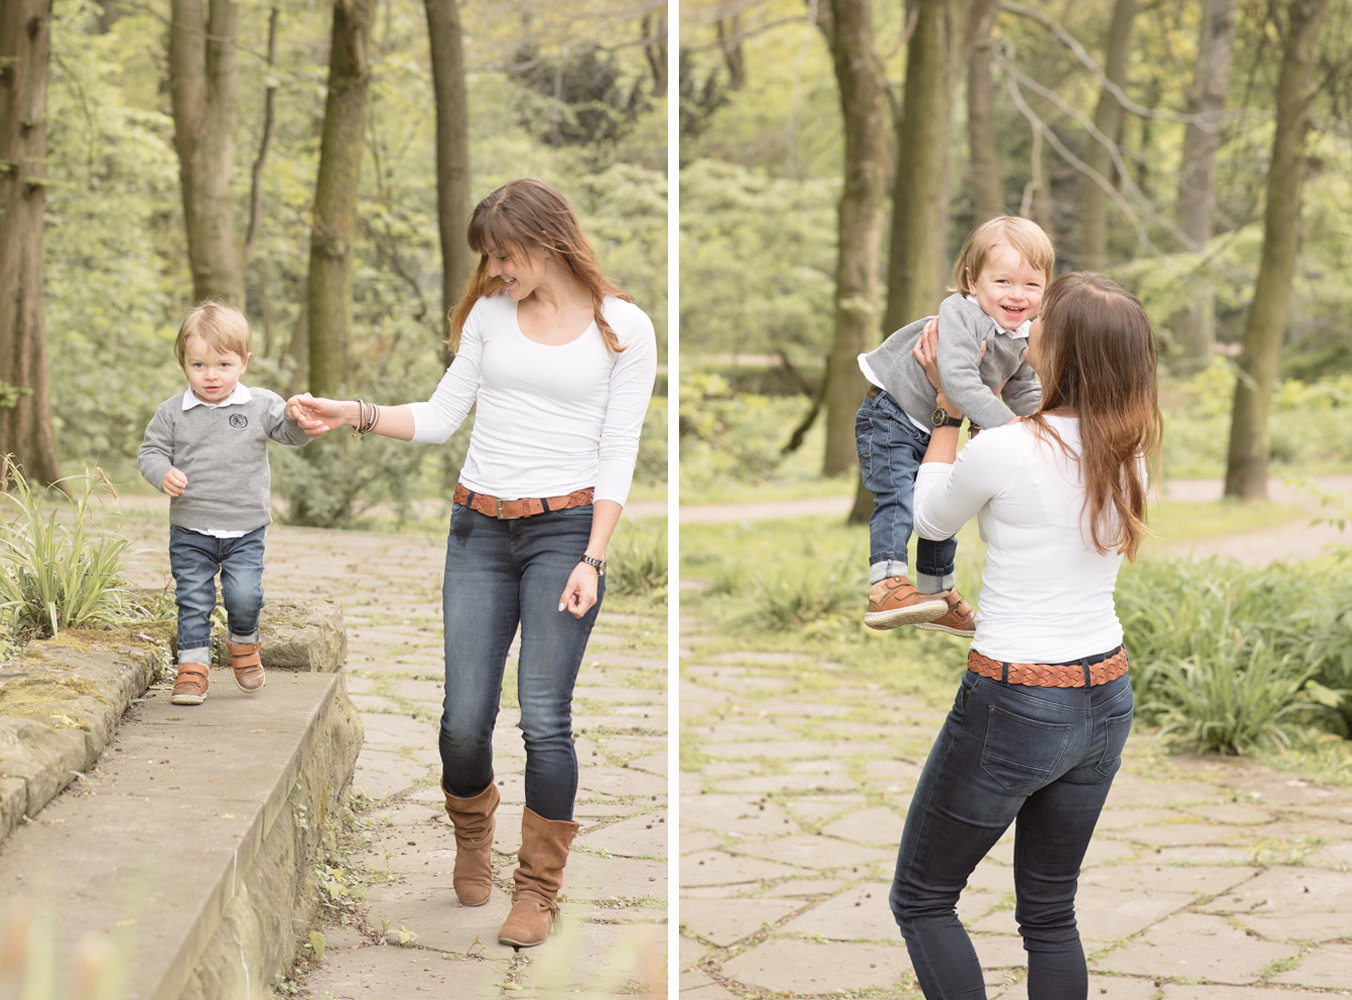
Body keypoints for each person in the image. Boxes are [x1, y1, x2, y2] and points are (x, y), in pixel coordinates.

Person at [287, 178, 657, 949]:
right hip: (478, 531)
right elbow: (439, 415)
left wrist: (595, 556)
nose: (493, 271)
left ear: (546, 239)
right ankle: (472, 831)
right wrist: (348, 413)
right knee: (462, 722)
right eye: (487, 258)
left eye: (502, 254)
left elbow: (620, 453)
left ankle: (538, 887)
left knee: (545, 721)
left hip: (566, 533)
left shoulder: (623, 327)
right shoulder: (490, 317)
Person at [889, 272, 1160, 997]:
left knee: (921, 898)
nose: (1028, 324)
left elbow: (929, 518)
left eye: (1044, 321)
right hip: (1106, 693)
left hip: (1016, 702)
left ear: (1061, 348)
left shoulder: (1007, 448)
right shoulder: (1131, 455)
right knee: (1048, 912)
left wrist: (948, 411)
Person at [857, 216, 1053, 637]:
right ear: (971, 280)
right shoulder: (961, 315)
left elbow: (1023, 389)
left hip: (931, 425)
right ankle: (886, 583)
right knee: (897, 498)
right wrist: (1010, 427)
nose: (1016, 295)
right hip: (892, 413)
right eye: (1002, 281)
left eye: (1031, 285)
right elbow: (960, 384)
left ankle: (937, 592)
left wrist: (1045, 426)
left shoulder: (1021, 333)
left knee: (942, 500)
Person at [138, 302, 312, 706]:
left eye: (223, 364)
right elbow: (150, 453)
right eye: (198, 365)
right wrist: (161, 472)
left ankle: (244, 643)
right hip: (190, 528)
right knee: (194, 597)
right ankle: (193, 667)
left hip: (245, 529)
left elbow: (291, 436)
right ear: (183, 363)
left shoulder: (260, 404)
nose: (211, 375)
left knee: (244, 596)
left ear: (244, 362)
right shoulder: (172, 413)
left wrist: (295, 418)